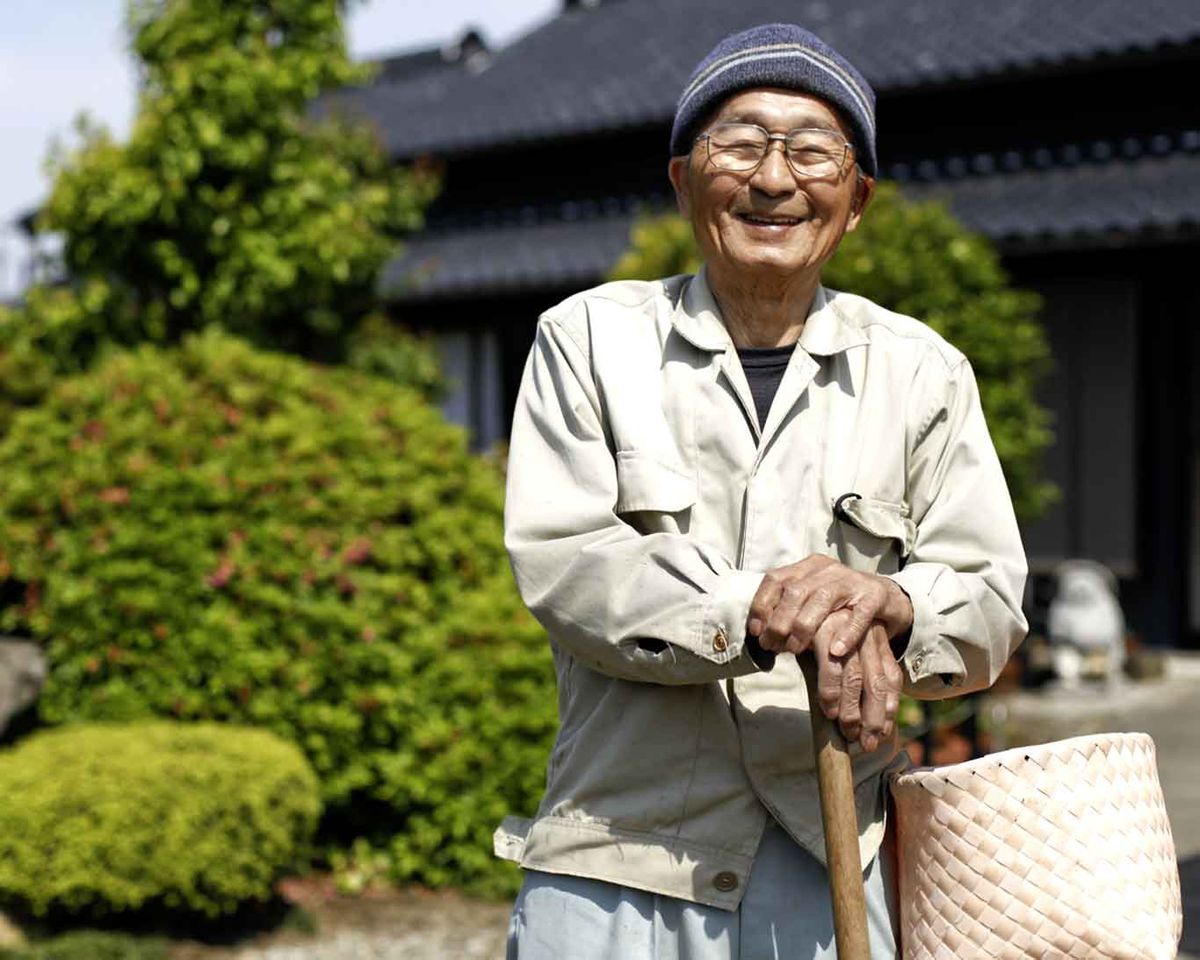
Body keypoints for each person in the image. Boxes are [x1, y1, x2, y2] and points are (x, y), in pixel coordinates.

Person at [496, 22, 1027, 960]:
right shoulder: (588, 340)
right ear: (682, 179)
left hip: (830, 864)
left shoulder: (922, 370)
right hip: (617, 857)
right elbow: (568, 561)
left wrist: (896, 604)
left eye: (814, 150)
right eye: (740, 142)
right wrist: (766, 607)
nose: (775, 178)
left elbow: (989, 599)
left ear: (855, 201)